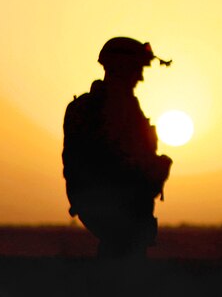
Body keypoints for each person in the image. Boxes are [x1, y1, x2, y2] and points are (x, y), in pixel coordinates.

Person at [62, 37, 173, 258]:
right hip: (117, 207)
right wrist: (155, 168)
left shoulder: (101, 107)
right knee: (122, 268)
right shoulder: (111, 109)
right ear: (123, 68)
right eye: (137, 69)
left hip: (108, 207)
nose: (141, 77)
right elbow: (118, 163)